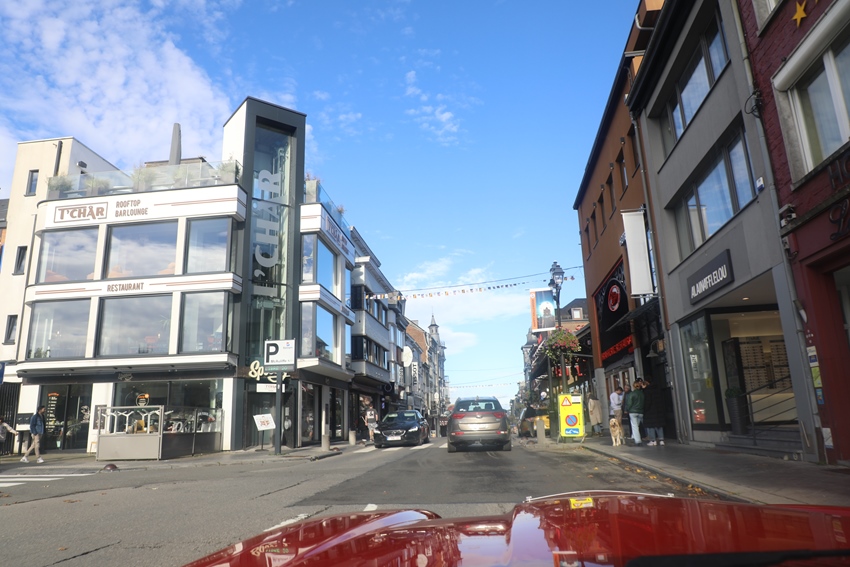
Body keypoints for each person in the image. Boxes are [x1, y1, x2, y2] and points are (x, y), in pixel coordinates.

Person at [642, 379, 666, 446]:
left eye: (642, 385)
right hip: (658, 410)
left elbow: (647, 402)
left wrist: (644, 409)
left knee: (651, 426)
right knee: (659, 425)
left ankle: (653, 440)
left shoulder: (647, 391)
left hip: (650, 411)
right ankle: (661, 440)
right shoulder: (657, 390)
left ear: (645, 385)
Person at [624, 380, 645, 447]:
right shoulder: (642, 394)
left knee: (634, 426)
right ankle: (633, 438)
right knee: (637, 425)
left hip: (633, 412)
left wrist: (627, 409)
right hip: (640, 412)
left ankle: (638, 441)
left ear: (633, 386)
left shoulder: (632, 394)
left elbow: (629, 403)